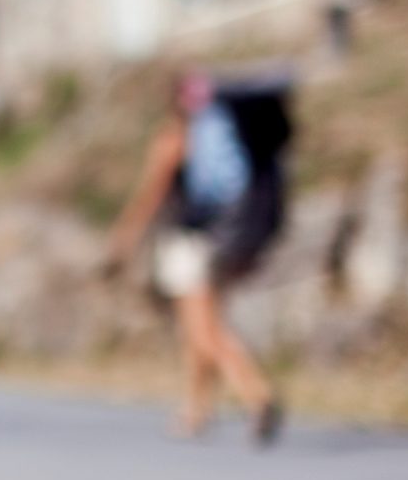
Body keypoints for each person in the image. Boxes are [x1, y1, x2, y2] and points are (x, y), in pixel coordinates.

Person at [105, 68, 287, 445]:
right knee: (198, 330)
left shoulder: (172, 139)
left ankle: (257, 394)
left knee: (204, 330)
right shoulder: (219, 137)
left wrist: (124, 238)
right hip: (226, 235)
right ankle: (197, 409)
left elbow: (150, 196)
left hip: (188, 242)